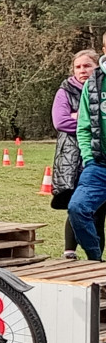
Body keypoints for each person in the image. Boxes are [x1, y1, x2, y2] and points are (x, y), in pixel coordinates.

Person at [52, 50, 104, 258]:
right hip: (72, 156)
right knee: (76, 204)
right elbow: (60, 122)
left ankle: (96, 257)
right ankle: (69, 252)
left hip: (98, 155)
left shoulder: (100, 86)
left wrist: (82, 117)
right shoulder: (65, 91)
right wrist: (91, 122)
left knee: (99, 210)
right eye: (78, 67)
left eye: (87, 66)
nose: (82, 70)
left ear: (96, 66)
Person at [68, 32, 106, 261]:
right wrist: (89, 157)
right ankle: (96, 261)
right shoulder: (94, 82)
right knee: (77, 208)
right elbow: (83, 127)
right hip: (99, 165)